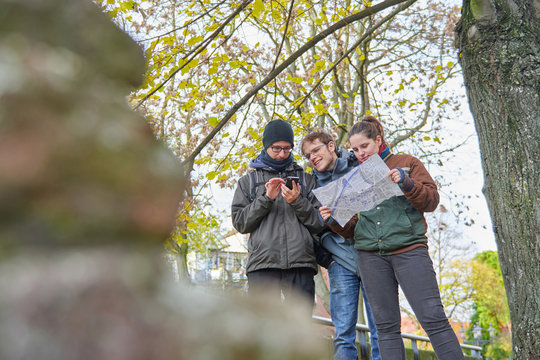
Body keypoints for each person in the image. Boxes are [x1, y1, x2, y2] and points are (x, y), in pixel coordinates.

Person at [320, 116, 464, 360]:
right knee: (385, 328)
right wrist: (334, 220)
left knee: (433, 318)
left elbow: (431, 200)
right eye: (355, 149)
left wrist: (406, 183)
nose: (360, 153)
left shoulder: (406, 163)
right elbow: (355, 228)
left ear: (378, 140)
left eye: (364, 146)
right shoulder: (355, 176)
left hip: (409, 251)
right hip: (370, 258)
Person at [302, 131, 381, 360]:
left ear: (331, 145)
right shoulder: (311, 184)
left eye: (316, 150)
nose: (312, 157)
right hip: (340, 262)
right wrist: (327, 259)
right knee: (343, 333)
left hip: (373, 257)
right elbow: (308, 226)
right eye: (308, 155)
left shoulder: (361, 165)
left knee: (379, 328)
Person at [231, 119, 325, 307]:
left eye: (287, 149)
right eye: (276, 148)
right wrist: (266, 199)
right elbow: (240, 222)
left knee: (300, 328)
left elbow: (320, 223)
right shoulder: (247, 182)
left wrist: (297, 201)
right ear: (266, 146)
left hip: (301, 264)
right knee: (263, 330)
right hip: (262, 264)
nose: (282, 154)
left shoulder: (306, 180)